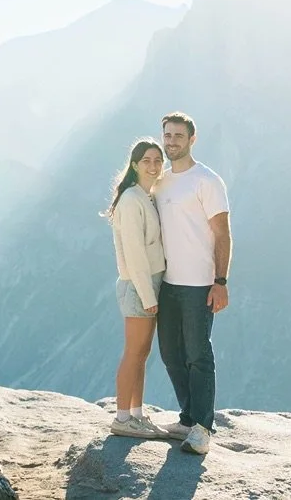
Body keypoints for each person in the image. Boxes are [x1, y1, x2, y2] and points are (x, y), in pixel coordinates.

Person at [152, 111, 231, 456]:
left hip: (200, 285)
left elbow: (223, 233)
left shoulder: (207, 181)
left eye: (178, 136)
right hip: (168, 284)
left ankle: (202, 427)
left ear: (192, 139)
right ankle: (187, 417)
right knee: (171, 353)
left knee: (198, 355)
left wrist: (221, 281)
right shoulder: (162, 181)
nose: (171, 142)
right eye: (167, 135)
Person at [105, 137, 169, 438]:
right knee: (133, 353)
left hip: (149, 283)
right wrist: (148, 295)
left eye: (158, 160)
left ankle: (137, 414)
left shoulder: (146, 196)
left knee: (142, 353)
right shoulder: (131, 200)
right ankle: (121, 418)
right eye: (147, 160)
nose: (154, 166)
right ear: (134, 164)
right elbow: (135, 252)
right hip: (138, 285)